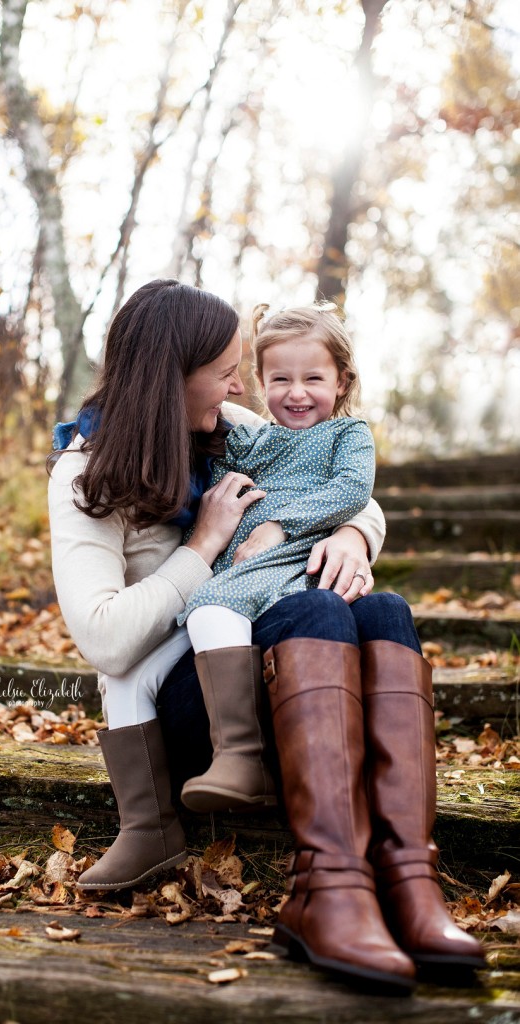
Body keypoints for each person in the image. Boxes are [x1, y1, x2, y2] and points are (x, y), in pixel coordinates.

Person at [48, 279, 485, 992]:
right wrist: (205, 545)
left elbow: (342, 478)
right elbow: (106, 642)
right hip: (189, 712)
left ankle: (408, 878)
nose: (235, 387)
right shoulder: (85, 473)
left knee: (383, 611)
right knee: (318, 614)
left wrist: (352, 534)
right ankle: (327, 886)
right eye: (224, 371)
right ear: (171, 378)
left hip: (278, 681)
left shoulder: (228, 428)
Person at [177, 303, 376, 813]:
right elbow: (209, 455)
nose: (297, 392)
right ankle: (242, 751)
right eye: (280, 378)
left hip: (294, 559)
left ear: (342, 380)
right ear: (260, 383)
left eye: (314, 377)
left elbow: (354, 490)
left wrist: (280, 524)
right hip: (245, 565)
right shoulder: (250, 439)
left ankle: (243, 754)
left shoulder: (347, 435)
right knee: (207, 610)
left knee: (210, 608)